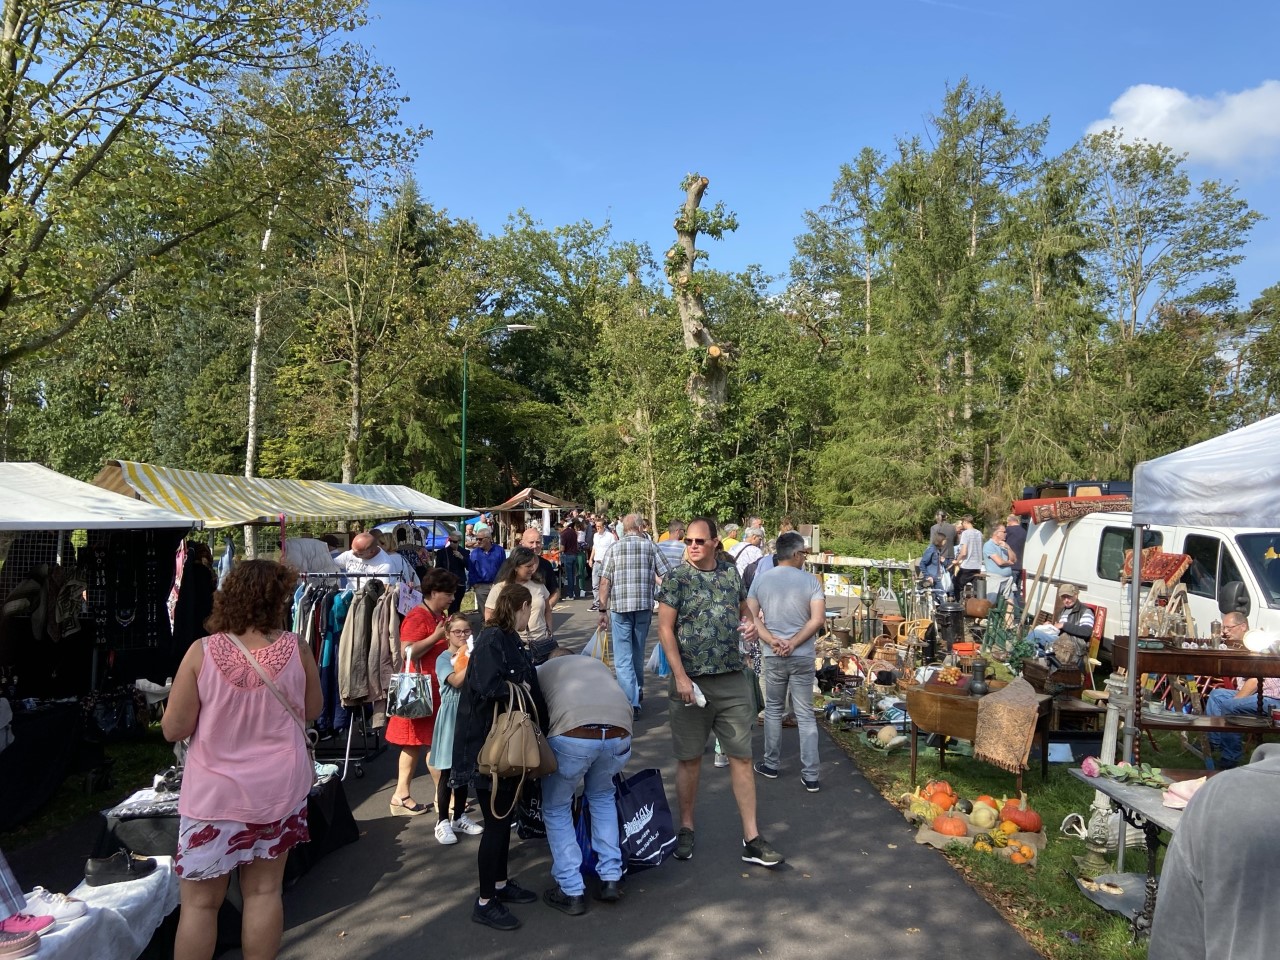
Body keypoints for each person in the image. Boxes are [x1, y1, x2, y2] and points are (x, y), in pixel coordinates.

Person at [162, 559, 322, 960]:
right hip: (278, 791)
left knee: (200, 904)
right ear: (278, 600)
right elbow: (314, 709)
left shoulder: (201, 652)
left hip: (212, 797)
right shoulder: (296, 647)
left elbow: (173, 728)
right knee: (265, 892)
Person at [656, 517, 784, 868]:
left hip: (730, 680)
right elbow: (665, 630)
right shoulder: (677, 579)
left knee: (741, 757)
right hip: (690, 682)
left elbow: (747, 614)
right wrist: (680, 676)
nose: (692, 546)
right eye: (689, 542)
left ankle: (752, 837)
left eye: (699, 541)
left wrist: (759, 633)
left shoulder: (730, 576)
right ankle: (686, 827)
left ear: (715, 543)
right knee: (689, 758)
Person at [450, 583, 546, 932]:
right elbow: (486, 686)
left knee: (502, 820)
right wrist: (519, 686)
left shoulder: (502, 637)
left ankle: (501, 885)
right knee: (495, 824)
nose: (530, 616)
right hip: (489, 747)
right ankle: (485, 900)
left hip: (500, 742)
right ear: (520, 607)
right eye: (529, 610)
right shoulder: (494, 639)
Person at [1148, 742, 1280, 958]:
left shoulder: (1218, 797)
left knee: (1220, 705)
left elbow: (1174, 947)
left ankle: (1228, 755)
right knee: (1219, 705)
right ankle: (1227, 753)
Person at [536, 647, 633, 915]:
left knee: (556, 808)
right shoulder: (596, 665)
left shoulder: (543, 670)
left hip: (574, 734)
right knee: (602, 797)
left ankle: (571, 889)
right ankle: (610, 876)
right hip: (619, 732)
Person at [747, 532, 825, 792]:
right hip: (802, 655)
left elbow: (750, 616)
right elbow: (817, 620)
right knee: (804, 714)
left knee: (773, 710)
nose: (804, 557)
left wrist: (771, 640)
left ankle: (771, 763)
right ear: (794, 554)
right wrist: (794, 642)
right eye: (803, 552)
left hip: (773, 655)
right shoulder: (811, 581)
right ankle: (811, 774)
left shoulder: (761, 580)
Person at [386, 568, 458, 818]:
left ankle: (401, 795)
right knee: (432, 745)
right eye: (447, 594)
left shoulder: (438, 614)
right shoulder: (418, 617)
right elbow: (407, 652)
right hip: (421, 689)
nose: (451, 598)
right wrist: (436, 636)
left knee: (414, 745)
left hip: (431, 689)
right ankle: (443, 798)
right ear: (434, 592)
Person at [597, 513, 676, 716]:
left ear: (624, 529)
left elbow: (604, 581)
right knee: (638, 650)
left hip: (620, 608)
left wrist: (602, 609)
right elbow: (668, 576)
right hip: (643, 607)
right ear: (641, 528)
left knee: (623, 656)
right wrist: (661, 597)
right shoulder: (650, 547)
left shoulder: (614, 548)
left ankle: (630, 701)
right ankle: (637, 689)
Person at [428, 615, 484, 844]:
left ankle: (459, 816)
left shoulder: (471, 653)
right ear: (447, 634)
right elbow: (456, 681)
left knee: (464, 768)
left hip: (470, 714)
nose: (463, 636)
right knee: (448, 770)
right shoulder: (443, 658)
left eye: (467, 631)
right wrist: (469, 658)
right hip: (452, 716)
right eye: (458, 632)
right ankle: (442, 820)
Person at [1204, 613, 1280, 768]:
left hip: (1272, 699)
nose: (1225, 631)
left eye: (1228, 628)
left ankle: (1230, 758)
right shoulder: (1241, 645)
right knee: (1217, 695)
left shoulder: (1256, 643)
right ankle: (1213, 742)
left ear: (1243, 627)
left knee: (1229, 706)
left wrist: (1234, 701)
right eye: (1223, 627)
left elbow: (1254, 682)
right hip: (1257, 694)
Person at [485, 546, 554, 664]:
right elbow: (489, 616)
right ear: (516, 567)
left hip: (543, 645)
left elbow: (548, 610)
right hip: (517, 647)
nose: (532, 569)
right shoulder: (500, 589)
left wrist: (549, 632)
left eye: (533, 565)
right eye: (528, 566)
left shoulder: (539, 585)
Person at [1027, 584, 1095, 663]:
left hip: (1072, 645)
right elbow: (1060, 629)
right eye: (1063, 597)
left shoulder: (1085, 611)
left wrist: (1064, 625)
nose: (1066, 600)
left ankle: (1016, 654)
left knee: (1036, 634)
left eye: (1069, 597)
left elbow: (1086, 632)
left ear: (1076, 595)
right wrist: (1051, 626)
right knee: (1035, 647)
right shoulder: (1063, 611)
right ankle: (1026, 661)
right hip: (1060, 641)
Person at [335, 531, 419, 586]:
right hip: (348, 599)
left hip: (367, 603)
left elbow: (384, 590)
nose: (353, 554)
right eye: (352, 549)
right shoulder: (351, 553)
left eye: (359, 554)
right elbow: (330, 565)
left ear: (371, 552)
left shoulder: (385, 564)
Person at [519, 526, 561, 615]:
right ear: (522, 543)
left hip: (539, 621)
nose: (534, 546)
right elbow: (498, 589)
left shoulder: (546, 565)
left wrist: (548, 607)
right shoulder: (511, 564)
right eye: (531, 542)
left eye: (537, 542)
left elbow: (555, 591)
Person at [467, 525, 506, 614]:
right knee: (483, 612)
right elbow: (471, 569)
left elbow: (504, 567)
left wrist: (501, 583)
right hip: (481, 586)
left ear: (488, 539)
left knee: (497, 610)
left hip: (496, 585)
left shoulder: (499, 550)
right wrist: (474, 584)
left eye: (480, 539)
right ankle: (484, 627)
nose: (478, 541)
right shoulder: (475, 553)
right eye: (477, 539)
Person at [435, 530, 470, 615]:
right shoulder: (442, 552)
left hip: (460, 583)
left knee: (457, 605)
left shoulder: (464, 552)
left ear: (459, 542)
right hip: (447, 583)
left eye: (455, 542)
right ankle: (451, 622)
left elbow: (469, 567)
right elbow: (438, 568)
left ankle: (455, 622)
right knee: (451, 606)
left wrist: (461, 557)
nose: (452, 543)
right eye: (450, 541)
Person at [982, 523, 1016, 604]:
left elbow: (1014, 559)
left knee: (1010, 605)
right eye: (1004, 532)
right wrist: (1009, 562)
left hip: (1008, 580)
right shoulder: (989, 545)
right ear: (996, 533)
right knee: (992, 605)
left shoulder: (1003, 545)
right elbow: (1000, 562)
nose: (1006, 534)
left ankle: (1008, 617)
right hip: (995, 580)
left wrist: (1008, 548)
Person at [588, 517, 617, 611]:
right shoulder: (595, 535)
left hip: (606, 563)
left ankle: (613, 603)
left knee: (608, 584)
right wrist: (591, 559)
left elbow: (614, 548)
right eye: (596, 527)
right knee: (595, 584)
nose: (598, 528)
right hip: (597, 561)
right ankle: (596, 603)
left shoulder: (609, 536)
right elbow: (594, 547)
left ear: (604, 526)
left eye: (599, 526)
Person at [952, 515, 984, 599]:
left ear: (966, 522)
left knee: (957, 584)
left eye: (963, 523)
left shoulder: (965, 533)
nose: (963, 525)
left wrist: (957, 560)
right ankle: (976, 606)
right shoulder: (979, 533)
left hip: (967, 566)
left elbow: (963, 552)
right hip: (977, 566)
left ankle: (958, 605)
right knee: (977, 591)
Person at [919, 531, 950, 603]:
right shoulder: (931, 549)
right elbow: (922, 563)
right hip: (933, 577)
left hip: (937, 577)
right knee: (942, 596)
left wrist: (943, 561)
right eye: (944, 540)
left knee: (938, 597)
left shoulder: (937, 550)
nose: (945, 542)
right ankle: (944, 612)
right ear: (940, 540)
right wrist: (928, 576)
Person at [1003, 514, 1026, 607]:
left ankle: (1015, 614)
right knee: (1017, 591)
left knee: (1010, 591)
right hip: (1020, 565)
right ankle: (1019, 612)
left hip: (1010, 565)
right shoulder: (1024, 532)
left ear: (1009, 521)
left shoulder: (1008, 531)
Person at [559, 519, 581, 600]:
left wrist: (555, 552)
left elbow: (562, 548)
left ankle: (570, 594)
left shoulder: (563, 535)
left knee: (569, 576)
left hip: (568, 555)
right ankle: (572, 593)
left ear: (559, 529)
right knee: (572, 575)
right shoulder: (573, 532)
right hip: (574, 555)